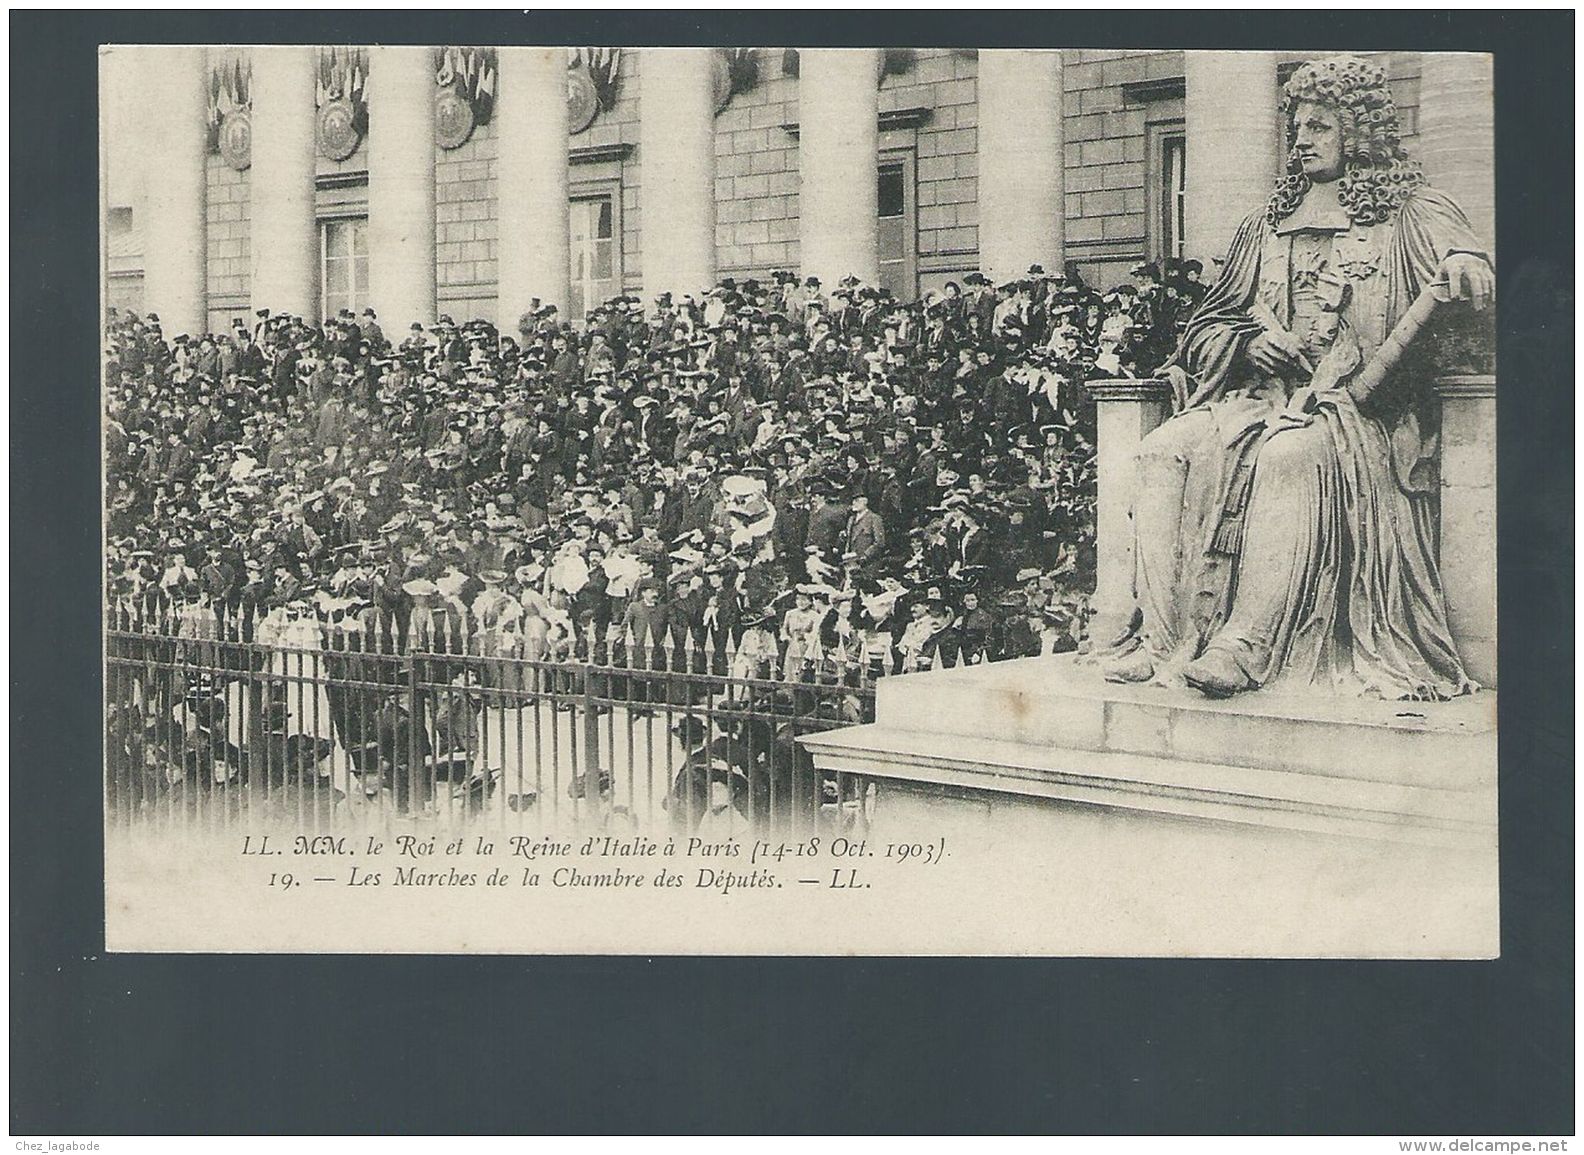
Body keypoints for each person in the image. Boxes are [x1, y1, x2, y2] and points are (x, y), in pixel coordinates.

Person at [1104, 55, 1493, 700]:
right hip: (1257, 399)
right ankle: (1162, 641)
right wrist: (1248, 344)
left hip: (1357, 417)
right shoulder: (1267, 222)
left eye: (1319, 126)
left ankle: (1244, 646)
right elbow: (1203, 328)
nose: (1302, 139)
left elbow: (1464, 260)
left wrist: (1463, 260)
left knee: (1288, 456)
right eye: (1297, 127)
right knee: (1161, 449)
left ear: (1359, 132)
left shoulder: (1414, 212)